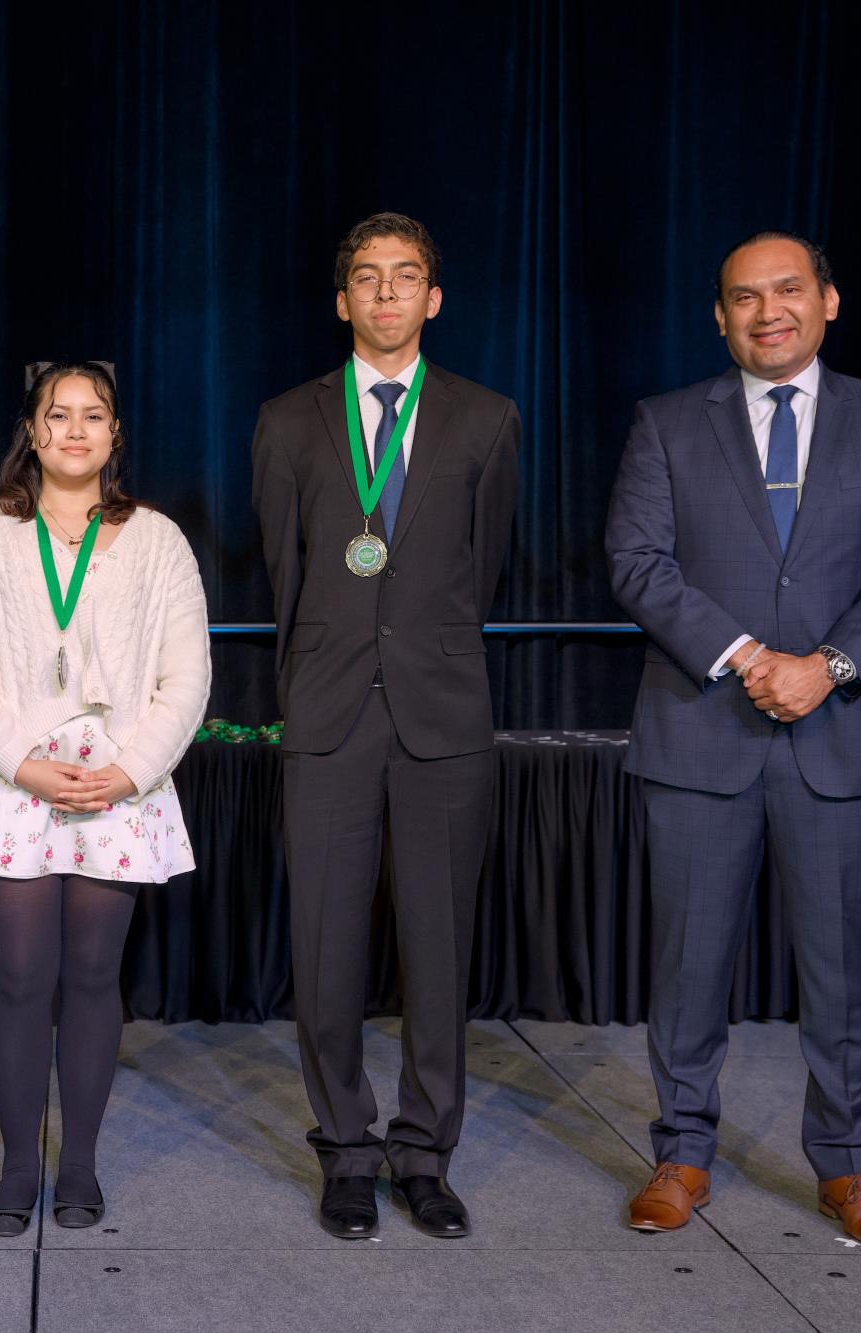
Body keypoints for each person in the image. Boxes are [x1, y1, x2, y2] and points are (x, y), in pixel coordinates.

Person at [605, 232, 861, 1248]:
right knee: (686, 965)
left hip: (840, 733)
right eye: (745, 297)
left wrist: (825, 666)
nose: (768, 312)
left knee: (842, 970)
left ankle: (847, 1166)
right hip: (701, 733)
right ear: (719, 317)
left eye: (787, 290)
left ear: (826, 301)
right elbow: (636, 560)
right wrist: (751, 655)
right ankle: (680, 1154)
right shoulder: (666, 422)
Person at [250, 213, 519, 1241]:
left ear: (432, 299)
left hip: (442, 713)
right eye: (368, 278)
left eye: (406, 277)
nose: (387, 293)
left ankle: (424, 1153)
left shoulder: (486, 417)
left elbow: (482, 568)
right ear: (342, 300)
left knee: (438, 949)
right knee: (325, 947)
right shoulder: (287, 420)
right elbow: (285, 575)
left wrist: (418, 648)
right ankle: (347, 1152)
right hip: (328, 713)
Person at [0, 362, 210, 1237]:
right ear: (33, 431)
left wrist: (129, 770)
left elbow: (187, 677)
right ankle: (19, 1165)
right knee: (21, 976)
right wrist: (25, 763)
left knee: (92, 975)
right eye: (59, 415)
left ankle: (78, 1161)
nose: (76, 430)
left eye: (94, 416)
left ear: (115, 435)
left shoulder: (158, 540)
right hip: (13, 778)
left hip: (119, 781)